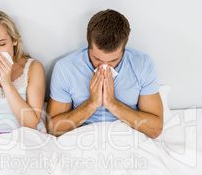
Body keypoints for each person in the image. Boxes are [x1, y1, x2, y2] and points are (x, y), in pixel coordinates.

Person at [46, 9, 163, 139]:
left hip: (128, 138)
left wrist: (112, 104)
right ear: (87, 40)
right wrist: (91, 103)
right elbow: (53, 129)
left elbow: (155, 129)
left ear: (126, 43)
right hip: (83, 139)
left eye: (114, 60)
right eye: (97, 59)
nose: (104, 66)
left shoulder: (143, 64)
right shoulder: (66, 68)